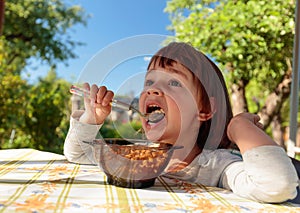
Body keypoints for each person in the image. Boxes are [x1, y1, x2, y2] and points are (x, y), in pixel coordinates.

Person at [64, 42, 298, 203]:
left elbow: (277, 185)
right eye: (150, 82)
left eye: (174, 83)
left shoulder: (216, 167)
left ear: (205, 109)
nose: (153, 89)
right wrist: (92, 118)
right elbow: (77, 154)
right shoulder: (136, 157)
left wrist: (241, 128)